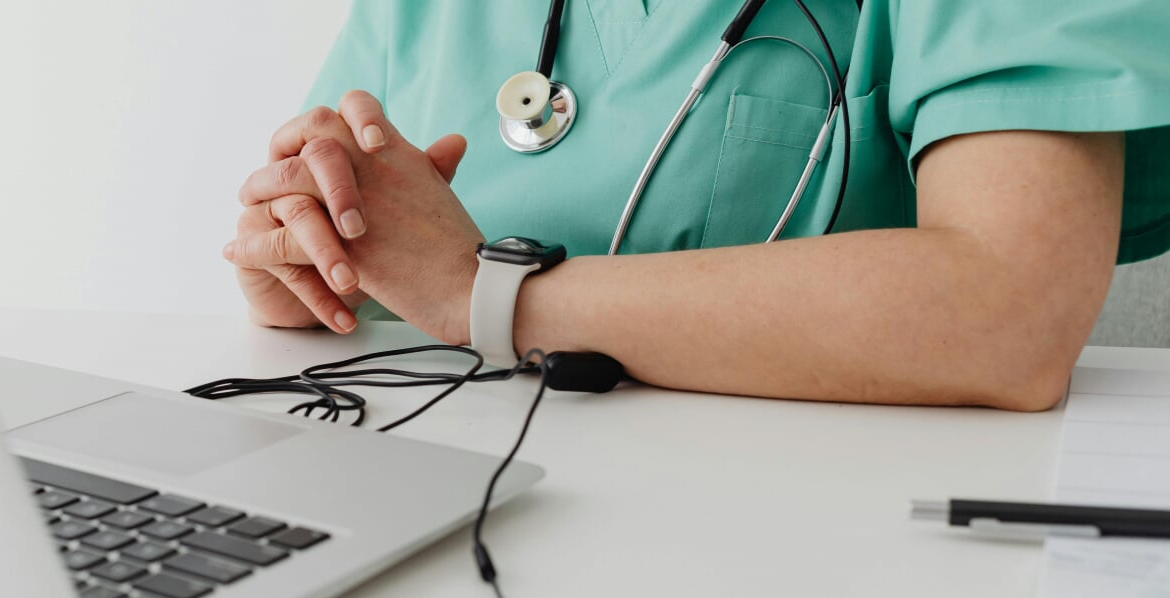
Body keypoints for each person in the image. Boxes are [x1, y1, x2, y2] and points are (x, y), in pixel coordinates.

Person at [222, 0, 1170, 411]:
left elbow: (1007, 310)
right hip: (455, 530)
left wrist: (492, 294)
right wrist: (317, 276)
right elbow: (379, 243)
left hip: (826, 565)